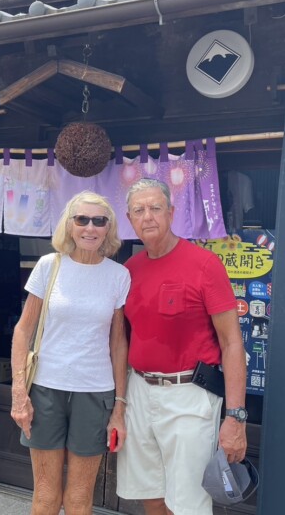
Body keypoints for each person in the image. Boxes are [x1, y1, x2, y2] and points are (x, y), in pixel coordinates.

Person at [117, 178, 247, 515]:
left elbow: (232, 342)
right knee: (150, 493)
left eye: (155, 208)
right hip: (139, 391)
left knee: (188, 503)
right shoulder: (129, 270)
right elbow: (120, 340)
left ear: (171, 213)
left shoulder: (205, 265)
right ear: (129, 219)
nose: (147, 216)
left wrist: (236, 416)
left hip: (189, 394)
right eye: (138, 210)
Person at [11, 191, 131, 515]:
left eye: (99, 221)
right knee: (45, 494)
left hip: (95, 392)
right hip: (46, 389)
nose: (90, 228)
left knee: (79, 497)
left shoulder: (118, 275)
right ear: (70, 224)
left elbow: (118, 343)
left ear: (108, 228)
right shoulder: (49, 265)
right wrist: (19, 392)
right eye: (82, 219)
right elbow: (23, 330)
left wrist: (119, 406)